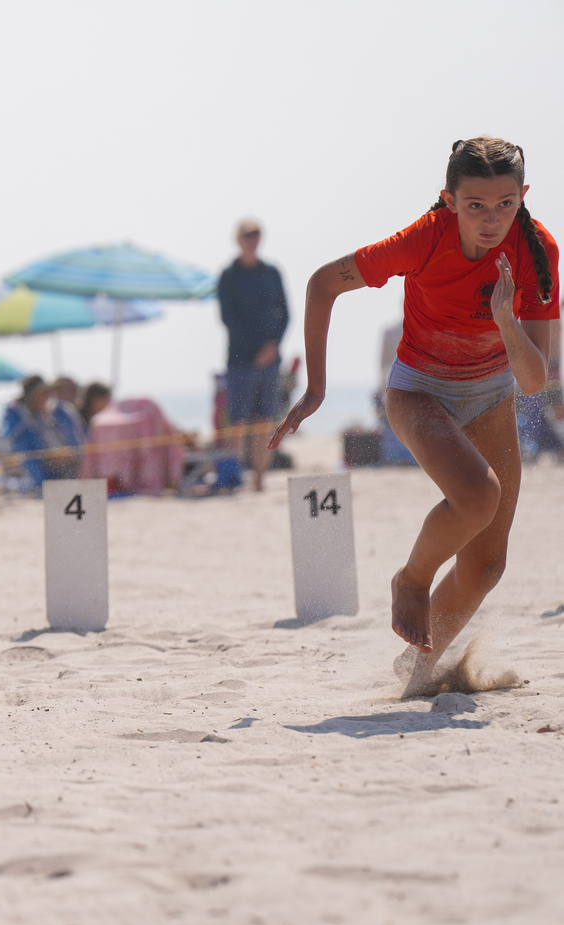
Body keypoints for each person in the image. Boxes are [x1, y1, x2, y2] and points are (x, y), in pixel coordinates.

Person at [272, 137, 559, 685]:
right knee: (478, 496)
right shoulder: (423, 240)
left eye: (505, 204)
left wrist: (505, 321)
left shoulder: (537, 251)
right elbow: (322, 285)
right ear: (449, 200)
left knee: (487, 565)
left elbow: (532, 380)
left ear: (523, 196)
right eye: (475, 205)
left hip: (491, 392)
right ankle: (411, 578)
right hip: (419, 391)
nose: (491, 219)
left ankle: (419, 668)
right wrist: (316, 387)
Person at [218, 218, 290, 491]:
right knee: (238, 422)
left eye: (256, 235)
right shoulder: (228, 275)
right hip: (239, 360)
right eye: (247, 235)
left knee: (265, 421)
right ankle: (235, 478)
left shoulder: (272, 272)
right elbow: (228, 318)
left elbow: (285, 314)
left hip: (270, 360)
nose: (252, 240)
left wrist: (273, 346)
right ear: (238, 239)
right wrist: (254, 351)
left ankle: (259, 480)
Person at [2, 374, 80, 490]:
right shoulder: (21, 421)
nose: (49, 396)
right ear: (33, 396)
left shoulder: (58, 413)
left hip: (65, 465)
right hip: (39, 473)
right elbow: (16, 447)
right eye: (45, 393)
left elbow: (76, 443)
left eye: (50, 392)